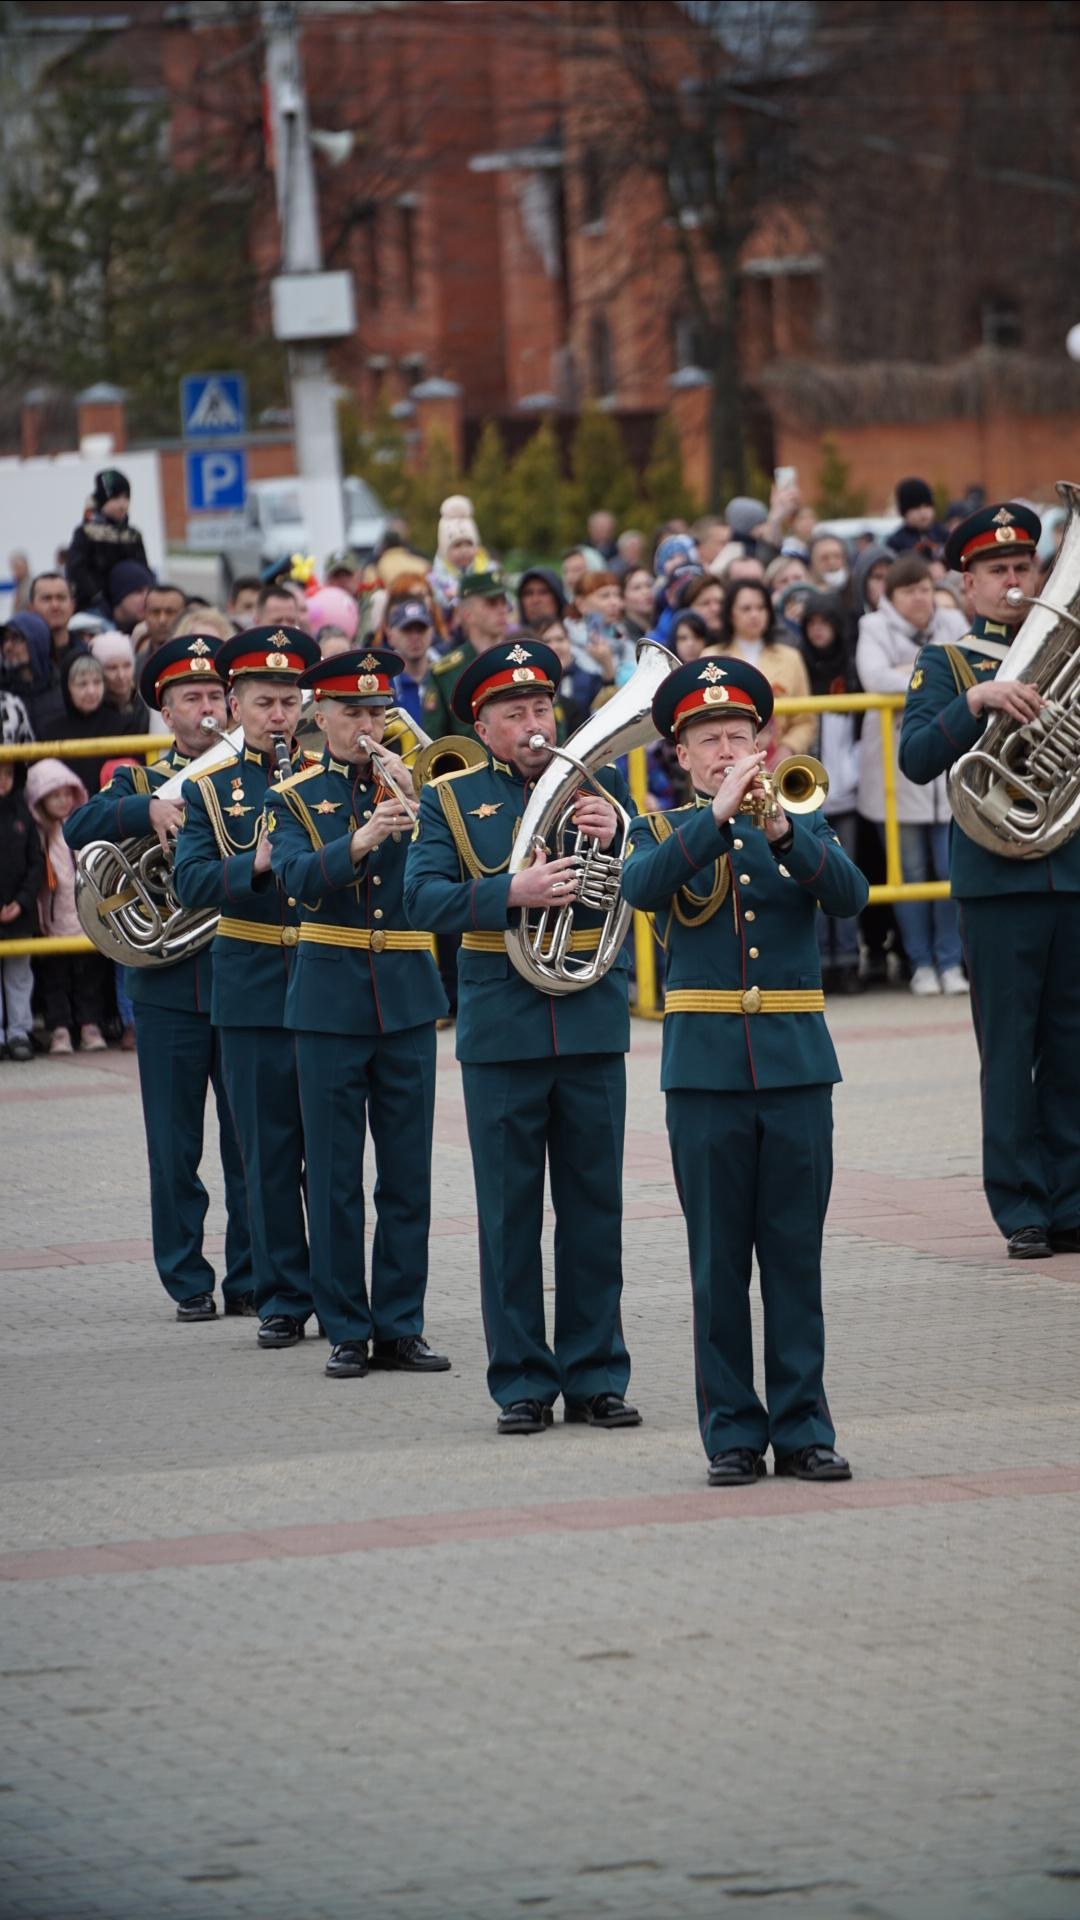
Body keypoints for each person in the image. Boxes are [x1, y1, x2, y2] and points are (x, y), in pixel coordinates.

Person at [621, 655, 867, 1485]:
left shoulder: (801, 818)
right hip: (706, 1075)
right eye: (709, 740)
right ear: (681, 755)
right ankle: (730, 1433)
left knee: (795, 1260)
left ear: (762, 742)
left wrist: (785, 834)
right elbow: (641, 889)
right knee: (718, 1265)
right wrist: (716, 822)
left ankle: (804, 1430)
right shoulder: (661, 831)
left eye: (738, 736)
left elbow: (850, 897)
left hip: (796, 1068)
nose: (726, 751)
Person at [404, 639, 640, 1435]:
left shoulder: (599, 789)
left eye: (542, 708)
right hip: (503, 1029)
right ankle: (522, 1384)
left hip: (590, 1021)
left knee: (595, 1211)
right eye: (515, 714)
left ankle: (597, 1376)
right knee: (509, 1217)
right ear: (483, 727)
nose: (535, 724)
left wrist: (621, 834)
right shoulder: (450, 798)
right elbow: (422, 900)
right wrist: (512, 890)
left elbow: (643, 885)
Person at [899, 500, 1080, 1259]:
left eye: (1024, 567)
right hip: (997, 883)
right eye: (997, 570)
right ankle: (1022, 1207)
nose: (1014, 581)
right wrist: (975, 701)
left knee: (1072, 1049)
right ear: (966, 584)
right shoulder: (948, 663)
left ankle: (1072, 1202)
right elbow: (916, 758)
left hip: (1070, 874)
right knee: (1008, 1053)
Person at [266, 647, 450, 1380]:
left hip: (405, 995)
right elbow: (294, 879)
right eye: (353, 713)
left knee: (406, 1175)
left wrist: (423, 806)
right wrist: (363, 838)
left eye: (378, 712)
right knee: (335, 1174)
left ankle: (400, 1324)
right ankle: (345, 1326)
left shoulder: (425, 786)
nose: (368, 726)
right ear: (321, 716)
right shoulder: (295, 795)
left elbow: (457, 872)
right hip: (329, 1000)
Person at [63, 635, 254, 1320]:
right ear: (165, 713)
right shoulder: (142, 780)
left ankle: (252, 1278)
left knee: (252, 1145)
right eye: (190, 698)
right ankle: (187, 1279)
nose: (206, 708)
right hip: (168, 990)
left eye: (214, 696)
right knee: (174, 1148)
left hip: (244, 980)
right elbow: (78, 827)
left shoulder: (254, 776)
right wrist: (144, 812)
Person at [173, 624, 321, 1340]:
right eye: (264, 703)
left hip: (326, 984)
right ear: (235, 706)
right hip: (254, 988)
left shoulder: (328, 777)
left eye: (289, 702)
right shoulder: (208, 787)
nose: (279, 717)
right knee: (266, 1156)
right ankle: (282, 1298)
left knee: (330, 1160)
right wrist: (254, 865)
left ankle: (341, 1299)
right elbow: (190, 882)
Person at [857, 555, 969, 995]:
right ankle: (920, 962)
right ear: (891, 597)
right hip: (895, 772)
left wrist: (913, 674)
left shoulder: (953, 620)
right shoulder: (873, 627)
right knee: (910, 871)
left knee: (949, 868)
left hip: (949, 764)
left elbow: (971, 674)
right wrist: (936, 676)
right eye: (909, 591)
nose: (920, 598)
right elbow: (874, 678)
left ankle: (950, 960)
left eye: (925, 588)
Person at [797, 593, 863, 993]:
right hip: (802, 791)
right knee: (811, 877)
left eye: (826, 622)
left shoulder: (851, 669)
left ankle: (850, 960)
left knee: (843, 875)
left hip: (846, 789)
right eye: (811, 624)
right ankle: (822, 961)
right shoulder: (801, 667)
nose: (819, 631)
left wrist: (852, 775)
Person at [25, 758, 109, 1052]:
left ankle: (90, 1025)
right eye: (54, 795)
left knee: (89, 978)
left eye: (66, 794)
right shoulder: (38, 835)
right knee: (55, 979)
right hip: (54, 923)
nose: (63, 801)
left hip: (88, 920)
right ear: (39, 799)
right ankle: (59, 1028)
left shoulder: (82, 828)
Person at [710, 582, 815, 767]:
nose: (754, 614)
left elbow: (805, 721)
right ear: (730, 614)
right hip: (726, 763)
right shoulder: (711, 658)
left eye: (761, 608)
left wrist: (788, 748)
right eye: (746, 608)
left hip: (779, 766)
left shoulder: (791, 658)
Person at [421, 567, 512, 739]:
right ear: (468, 614)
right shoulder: (445, 673)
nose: (502, 609)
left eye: (503, 602)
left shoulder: (522, 660)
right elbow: (434, 741)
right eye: (492, 603)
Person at [0, 755, 44, 1061]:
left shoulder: (23, 815)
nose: (3, 780)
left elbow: (36, 862)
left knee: (19, 974)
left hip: (20, 913)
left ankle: (19, 1032)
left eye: (7, 773)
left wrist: (22, 901)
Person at [67, 469, 151, 613]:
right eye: (116, 498)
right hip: (93, 607)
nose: (122, 505)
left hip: (130, 608)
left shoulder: (132, 535)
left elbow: (143, 571)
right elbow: (77, 570)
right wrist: (97, 596)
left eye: (126, 498)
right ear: (102, 501)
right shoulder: (86, 533)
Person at [58, 649, 138, 794]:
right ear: (67, 687)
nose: (91, 691)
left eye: (97, 682)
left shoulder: (122, 725)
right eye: (82, 684)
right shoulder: (50, 731)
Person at [1, 614, 66, 739]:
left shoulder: (64, 689)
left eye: (16, 638)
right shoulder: (3, 694)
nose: (7, 647)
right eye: (4, 640)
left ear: (37, 641)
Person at [387, 600, 435, 728]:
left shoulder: (446, 676)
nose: (415, 637)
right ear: (390, 636)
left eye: (421, 629)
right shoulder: (383, 682)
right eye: (407, 630)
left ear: (432, 632)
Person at [89, 631, 150, 732]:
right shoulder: (90, 712)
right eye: (112, 668)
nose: (121, 675)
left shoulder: (144, 707)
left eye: (127, 666)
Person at [886, 478, 949, 558]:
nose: (923, 512)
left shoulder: (944, 535)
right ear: (905, 512)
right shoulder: (896, 542)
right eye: (916, 507)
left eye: (927, 506)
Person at [28, 573, 79, 663]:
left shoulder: (89, 656)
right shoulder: (23, 660)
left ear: (72, 606)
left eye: (61, 598)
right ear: (31, 608)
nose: (55, 606)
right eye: (46, 598)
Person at [106, 562, 154, 635]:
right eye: (138, 591)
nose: (146, 599)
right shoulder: (94, 629)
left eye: (149, 591)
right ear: (120, 595)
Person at [141, 584, 187, 657]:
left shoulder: (197, 661)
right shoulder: (135, 662)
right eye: (155, 612)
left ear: (185, 615)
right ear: (145, 615)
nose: (162, 620)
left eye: (170, 612)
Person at [516, 568, 566, 635]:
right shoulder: (512, 639)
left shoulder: (576, 636)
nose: (535, 600)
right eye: (528, 593)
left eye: (543, 592)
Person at [621, 566, 656, 643]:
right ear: (622, 597)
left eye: (649, 585)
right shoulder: (623, 637)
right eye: (637, 588)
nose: (646, 592)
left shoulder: (664, 626)